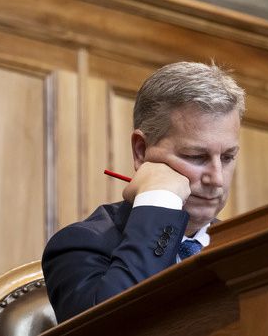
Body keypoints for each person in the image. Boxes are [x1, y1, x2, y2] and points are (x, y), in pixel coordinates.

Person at [42, 62, 246, 323]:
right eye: (195, 156)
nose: (217, 179)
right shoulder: (81, 245)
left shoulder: (247, 246)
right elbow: (111, 330)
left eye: (227, 157)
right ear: (141, 150)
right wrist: (159, 202)